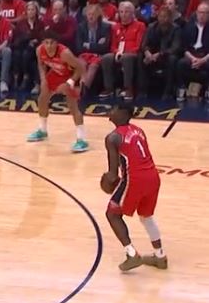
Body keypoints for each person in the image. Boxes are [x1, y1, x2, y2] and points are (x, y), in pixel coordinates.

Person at [101, 102, 167, 271]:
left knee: (112, 214)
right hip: (153, 177)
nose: (110, 111)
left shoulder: (113, 137)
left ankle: (132, 254)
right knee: (146, 216)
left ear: (123, 114)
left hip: (135, 179)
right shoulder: (138, 130)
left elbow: (113, 175)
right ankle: (160, 256)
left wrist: (105, 182)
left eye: (114, 109)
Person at [27, 31, 88, 153]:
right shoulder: (39, 50)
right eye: (46, 42)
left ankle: (82, 140)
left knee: (73, 106)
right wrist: (43, 80)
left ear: (57, 43)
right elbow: (41, 65)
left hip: (72, 75)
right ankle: (42, 130)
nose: (49, 45)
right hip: (57, 73)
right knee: (42, 99)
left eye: (52, 43)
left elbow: (81, 67)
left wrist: (69, 83)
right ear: (43, 43)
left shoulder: (65, 53)